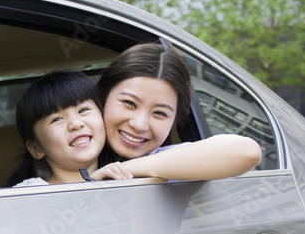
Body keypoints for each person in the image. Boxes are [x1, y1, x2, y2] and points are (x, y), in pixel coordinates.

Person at [94, 42, 262, 180]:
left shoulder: (170, 161)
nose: (139, 125)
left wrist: (124, 168)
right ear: (102, 98)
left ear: (174, 120)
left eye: (160, 113)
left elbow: (247, 152)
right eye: (130, 103)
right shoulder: (71, 148)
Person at [5, 71, 129, 187]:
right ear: (36, 148)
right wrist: (91, 184)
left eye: (83, 110)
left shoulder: (126, 174)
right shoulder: (29, 193)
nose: (75, 124)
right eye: (57, 119)